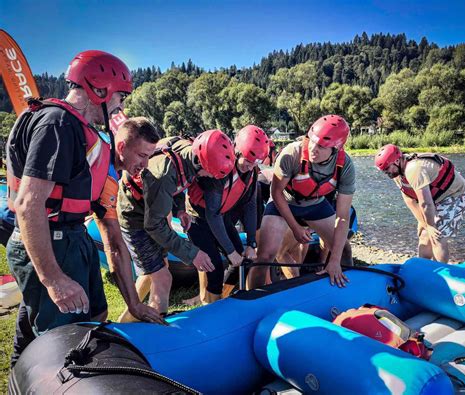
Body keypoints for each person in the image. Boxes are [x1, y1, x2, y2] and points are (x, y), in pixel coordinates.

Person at [6, 50, 164, 368]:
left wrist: (134, 302)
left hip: (72, 238)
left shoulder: (87, 137)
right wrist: (54, 279)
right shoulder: (57, 123)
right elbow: (28, 204)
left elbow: (113, 237)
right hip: (51, 241)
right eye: (119, 97)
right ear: (99, 88)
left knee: (93, 319)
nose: (121, 106)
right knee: (62, 343)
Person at [116, 129, 235, 317]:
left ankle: (129, 321)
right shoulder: (163, 173)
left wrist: (179, 209)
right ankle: (156, 332)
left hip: (152, 209)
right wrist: (192, 253)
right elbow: (154, 225)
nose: (213, 178)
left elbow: (177, 185)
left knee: (155, 271)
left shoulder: (189, 155)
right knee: (163, 278)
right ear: (200, 162)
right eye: (211, 174)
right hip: (135, 217)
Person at [247, 115, 355, 289]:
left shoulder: (346, 166)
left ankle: (346, 288)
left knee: (344, 249)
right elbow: (276, 192)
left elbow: (342, 217)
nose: (313, 148)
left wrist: (334, 261)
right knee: (265, 256)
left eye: (321, 146)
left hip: (315, 205)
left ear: (336, 148)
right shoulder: (292, 153)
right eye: (312, 141)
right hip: (284, 202)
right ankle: (251, 298)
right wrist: (295, 228)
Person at [186, 125, 269, 303]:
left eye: (254, 162)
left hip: (220, 217)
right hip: (198, 219)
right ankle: (210, 306)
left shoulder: (251, 172)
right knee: (214, 267)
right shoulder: (221, 169)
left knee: (242, 260)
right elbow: (212, 214)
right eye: (247, 160)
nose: (250, 166)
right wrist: (230, 251)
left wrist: (252, 243)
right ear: (237, 151)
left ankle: (220, 298)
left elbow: (250, 206)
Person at [374, 144, 465, 262]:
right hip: (434, 199)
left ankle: (439, 271)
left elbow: (426, 204)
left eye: (387, 168)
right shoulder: (397, 173)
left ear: (397, 160)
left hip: (455, 194)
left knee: (437, 235)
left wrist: (431, 226)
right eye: (384, 171)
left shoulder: (414, 169)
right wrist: (423, 223)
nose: (386, 173)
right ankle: (423, 269)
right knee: (424, 234)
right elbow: (409, 198)